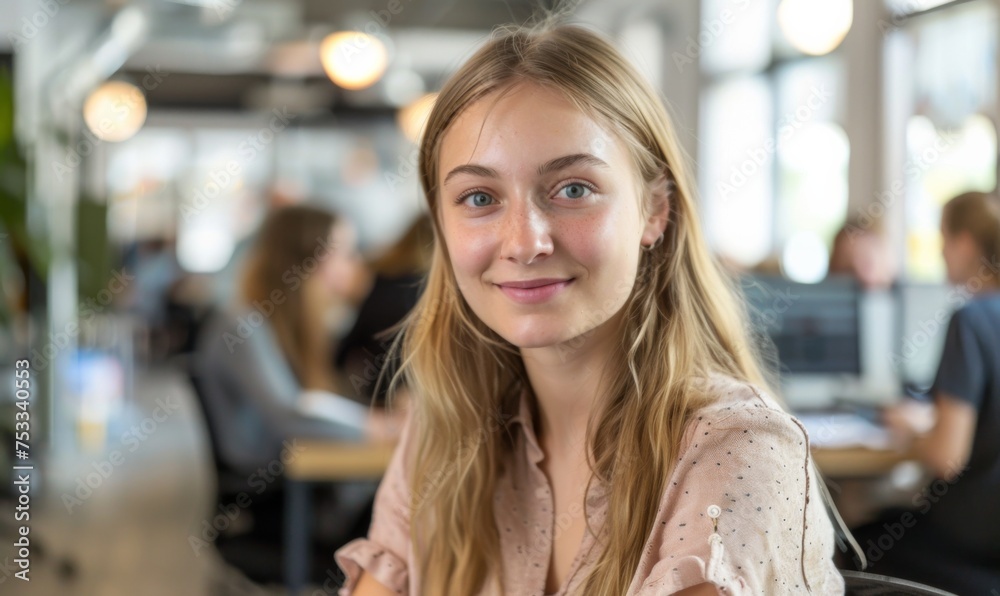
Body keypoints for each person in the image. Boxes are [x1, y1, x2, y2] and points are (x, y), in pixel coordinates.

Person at [334, 22, 844, 596]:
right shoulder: (443, 432)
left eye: (573, 189)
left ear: (654, 211)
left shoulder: (737, 448)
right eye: (479, 198)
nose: (524, 243)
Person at [194, 204, 403, 553]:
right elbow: (289, 414)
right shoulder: (242, 325)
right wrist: (377, 426)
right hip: (271, 500)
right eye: (347, 253)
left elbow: (324, 401)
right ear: (310, 262)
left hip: (298, 489)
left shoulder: (283, 326)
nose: (357, 265)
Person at [858, 190, 1000, 593]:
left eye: (943, 239)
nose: (940, 253)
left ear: (965, 243)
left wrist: (918, 428)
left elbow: (946, 458)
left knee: (860, 539)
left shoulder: (971, 320)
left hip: (969, 541)